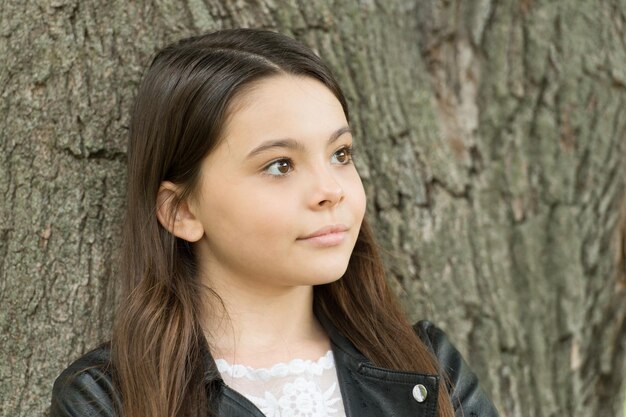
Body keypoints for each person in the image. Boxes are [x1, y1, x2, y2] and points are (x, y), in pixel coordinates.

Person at [50, 28, 499, 417]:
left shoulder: (425, 366)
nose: (331, 189)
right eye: (280, 165)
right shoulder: (107, 399)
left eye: (340, 155)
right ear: (182, 211)